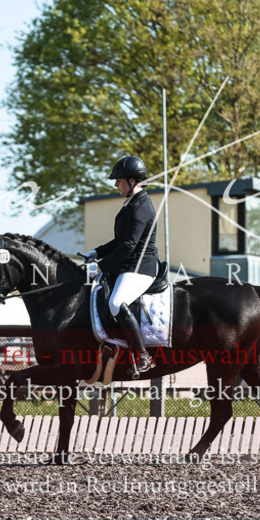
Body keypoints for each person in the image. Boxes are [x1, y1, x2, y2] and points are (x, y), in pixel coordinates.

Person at [84, 155, 160, 377]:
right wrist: (97, 252)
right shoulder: (132, 203)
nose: (116, 184)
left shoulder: (141, 206)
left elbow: (128, 245)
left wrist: (102, 266)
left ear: (132, 181)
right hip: (129, 264)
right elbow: (120, 241)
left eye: (119, 181)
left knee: (116, 302)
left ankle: (143, 357)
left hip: (141, 266)